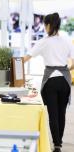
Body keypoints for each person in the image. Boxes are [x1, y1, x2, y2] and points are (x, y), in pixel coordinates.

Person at [24, 13, 74, 152]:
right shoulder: (67, 40)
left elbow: (26, 58)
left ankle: (56, 145)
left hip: (51, 80)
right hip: (64, 80)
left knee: (53, 114)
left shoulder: (43, 41)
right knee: (61, 113)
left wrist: (13, 64)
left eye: (45, 25)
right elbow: (73, 63)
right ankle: (59, 142)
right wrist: (65, 69)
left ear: (48, 25)